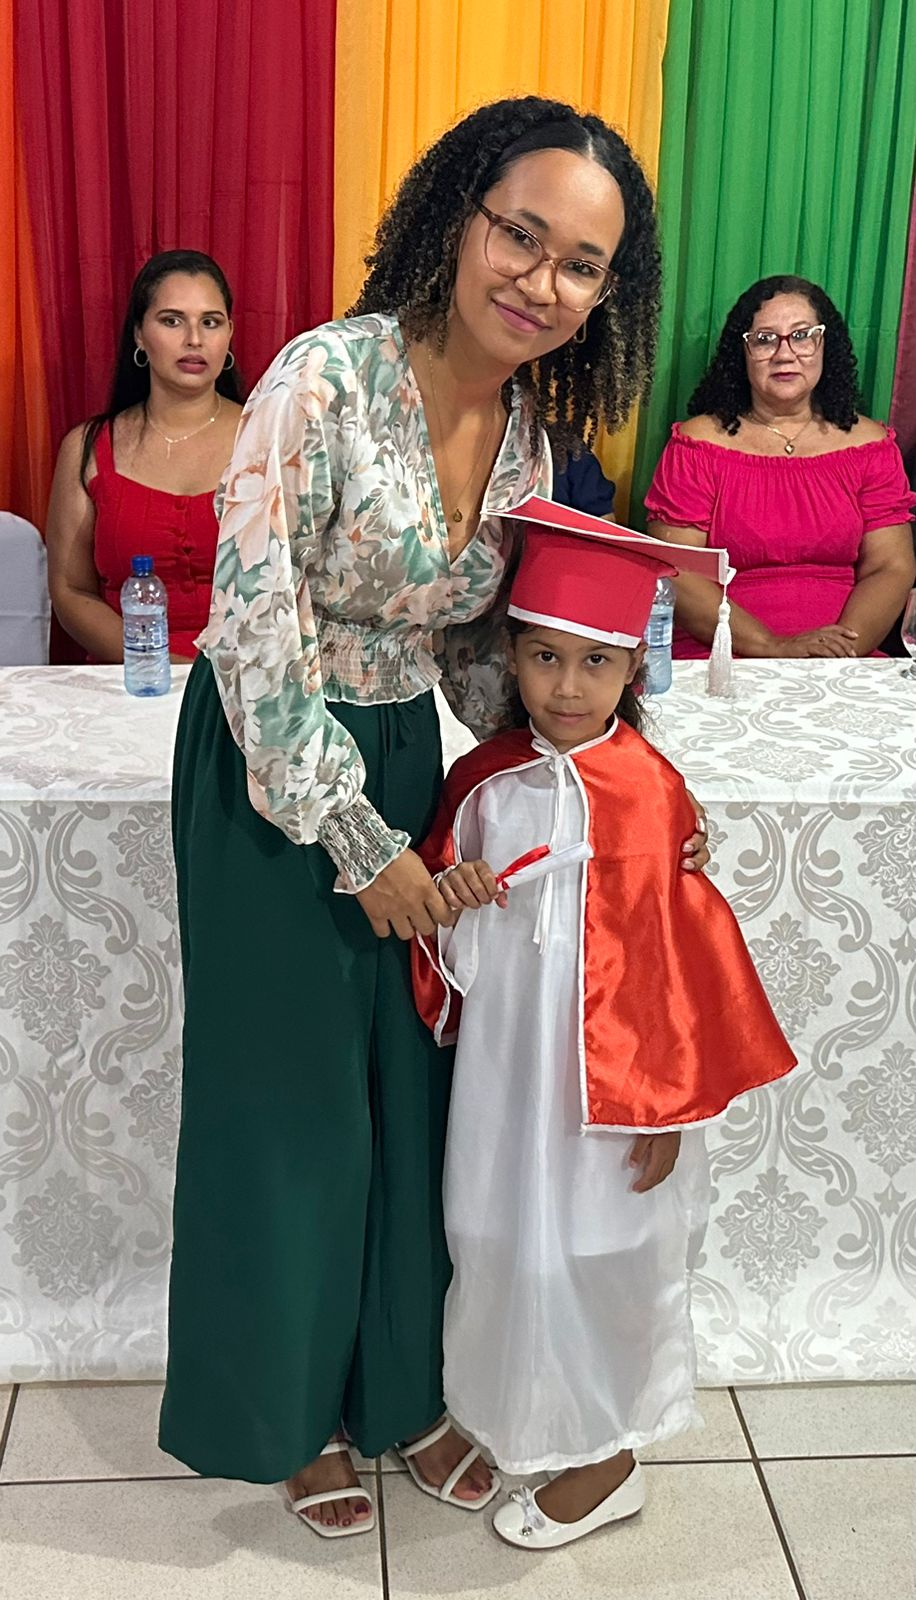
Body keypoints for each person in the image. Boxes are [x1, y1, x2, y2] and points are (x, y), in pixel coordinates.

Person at [158, 95, 712, 1539]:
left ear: (606, 293)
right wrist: (358, 846)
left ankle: (400, 1390)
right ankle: (288, 1415)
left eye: (580, 263)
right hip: (272, 765)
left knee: (412, 1093)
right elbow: (253, 632)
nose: (541, 280)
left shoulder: (525, 433)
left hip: (408, 755)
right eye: (520, 235)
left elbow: (477, 658)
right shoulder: (321, 379)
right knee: (292, 1109)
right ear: (459, 217)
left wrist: (612, 779)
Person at [412, 501, 796, 1550]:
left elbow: (679, 963)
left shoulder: (651, 794)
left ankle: (611, 1454)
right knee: (497, 1235)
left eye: (595, 662)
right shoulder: (480, 781)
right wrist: (454, 903)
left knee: (600, 1247)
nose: (568, 687)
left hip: (616, 1093)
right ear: (512, 657)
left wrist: (667, 1109)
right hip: (509, 1077)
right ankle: (528, 1417)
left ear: (633, 667)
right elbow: (442, 946)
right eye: (545, 657)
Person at [645, 275, 916, 659]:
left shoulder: (870, 445)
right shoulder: (697, 444)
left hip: (843, 657)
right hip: (722, 652)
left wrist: (839, 652)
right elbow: (679, 571)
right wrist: (773, 646)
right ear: (742, 353)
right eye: (765, 339)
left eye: (802, 336)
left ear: (826, 345)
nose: (784, 354)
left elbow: (891, 566)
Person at [46, 249, 244, 662]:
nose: (194, 339)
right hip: (130, 679)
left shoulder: (270, 438)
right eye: (172, 321)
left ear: (229, 333)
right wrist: (158, 664)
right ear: (139, 334)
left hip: (246, 682)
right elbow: (71, 591)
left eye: (210, 322)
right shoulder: (87, 448)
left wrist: (218, 682)